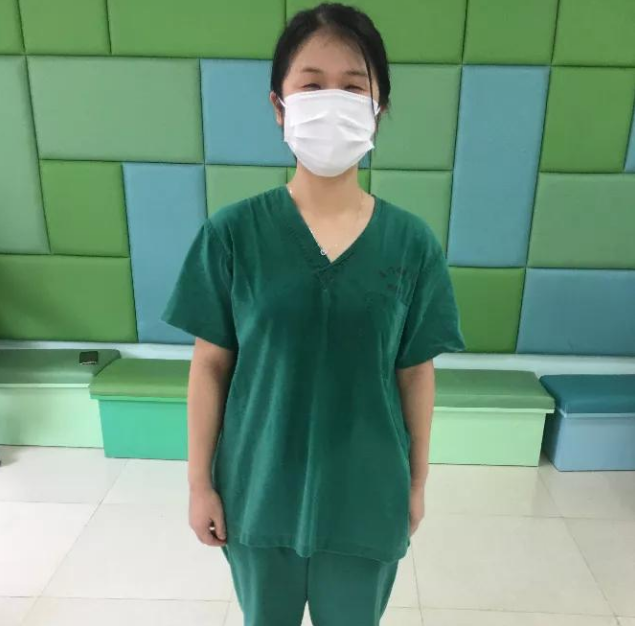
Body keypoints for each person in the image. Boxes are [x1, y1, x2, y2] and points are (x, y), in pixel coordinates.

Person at [161, 3, 466, 624]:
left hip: (366, 499)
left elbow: (415, 372)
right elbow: (210, 366)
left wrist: (415, 484)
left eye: (353, 87)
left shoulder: (410, 244)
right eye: (311, 85)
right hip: (257, 495)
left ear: (378, 107)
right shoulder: (233, 235)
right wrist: (199, 484)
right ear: (280, 106)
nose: (332, 102)